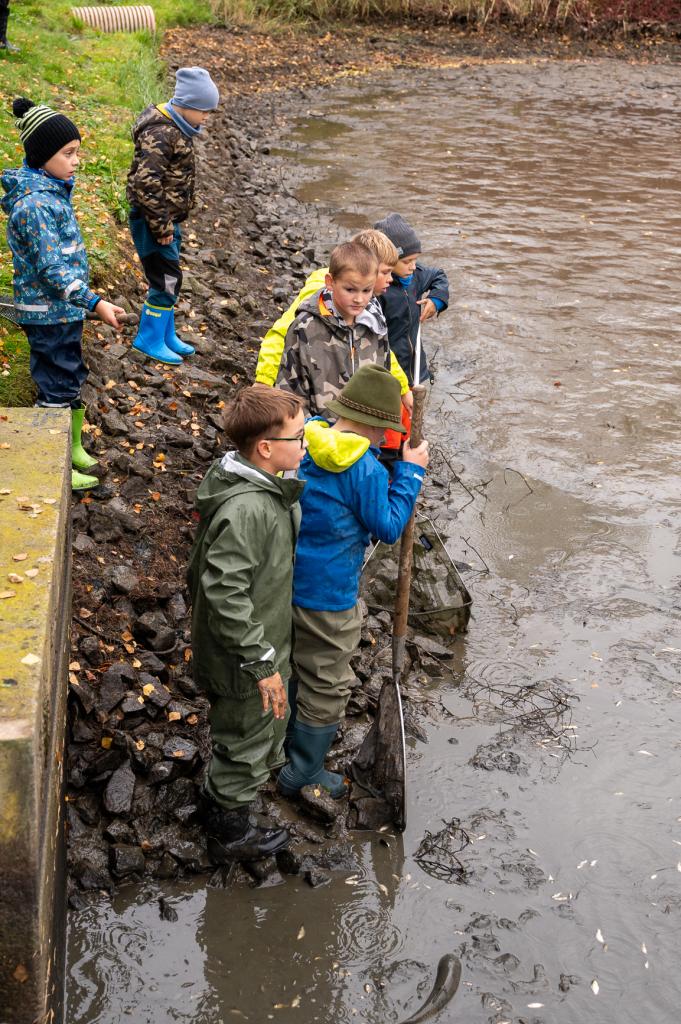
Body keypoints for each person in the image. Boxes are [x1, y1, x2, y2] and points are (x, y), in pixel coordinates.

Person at [278, 364, 429, 799]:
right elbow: (388, 527)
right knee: (327, 679)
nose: (385, 440)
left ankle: (283, 745)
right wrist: (410, 474)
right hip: (330, 592)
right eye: (385, 432)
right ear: (375, 426)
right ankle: (303, 770)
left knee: (294, 663)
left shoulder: (309, 438)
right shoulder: (365, 469)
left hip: (287, 580)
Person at [187, 384, 306, 863]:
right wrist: (261, 662)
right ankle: (228, 833)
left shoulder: (254, 486)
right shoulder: (249, 509)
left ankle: (218, 800)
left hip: (251, 642)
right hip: (244, 657)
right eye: (298, 437)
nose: (305, 445)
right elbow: (225, 591)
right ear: (266, 448)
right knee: (247, 738)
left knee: (247, 729)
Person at [1, 98, 124, 491]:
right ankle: (49, 463)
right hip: (47, 313)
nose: (76, 162)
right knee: (55, 386)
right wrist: (94, 302)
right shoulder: (35, 206)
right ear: (42, 156)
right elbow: (52, 271)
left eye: (77, 153)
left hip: (62, 311)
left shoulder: (51, 193)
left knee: (70, 377)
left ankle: (70, 448)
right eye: (68, 153)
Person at [255, 229, 411, 413]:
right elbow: (280, 334)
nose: (391, 279)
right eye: (385, 272)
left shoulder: (371, 310)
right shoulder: (315, 299)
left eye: (365, 290)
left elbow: (381, 351)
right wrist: (263, 381)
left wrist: (403, 388)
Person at [126, 66, 220, 366]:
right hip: (153, 221)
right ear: (186, 105)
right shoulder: (161, 133)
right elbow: (146, 183)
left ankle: (166, 334)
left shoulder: (176, 127)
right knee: (165, 279)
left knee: (170, 276)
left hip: (165, 219)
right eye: (204, 111)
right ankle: (148, 338)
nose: (206, 117)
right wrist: (161, 226)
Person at [374, 212, 449, 388]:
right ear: (389, 260)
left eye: (415, 259)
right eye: (407, 261)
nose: (413, 266)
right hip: (389, 370)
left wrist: (436, 300)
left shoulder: (415, 276)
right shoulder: (377, 290)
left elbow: (438, 276)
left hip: (416, 367)